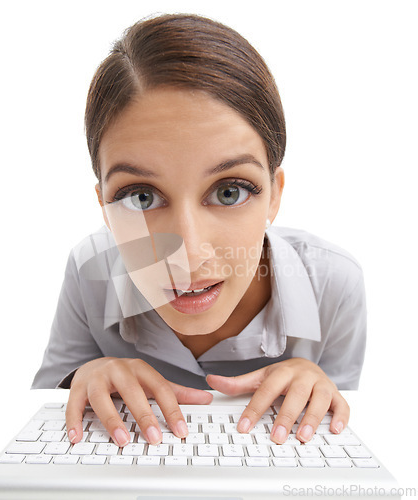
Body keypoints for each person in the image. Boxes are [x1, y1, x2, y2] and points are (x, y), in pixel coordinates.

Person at [32, 13, 366, 450]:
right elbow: (40, 414)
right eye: (141, 197)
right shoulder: (87, 272)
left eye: (229, 192)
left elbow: (343, 438)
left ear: (274, 195)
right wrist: (81, 379)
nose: (187, 254)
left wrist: (322, 389)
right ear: (103, 206)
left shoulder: (334, 284)